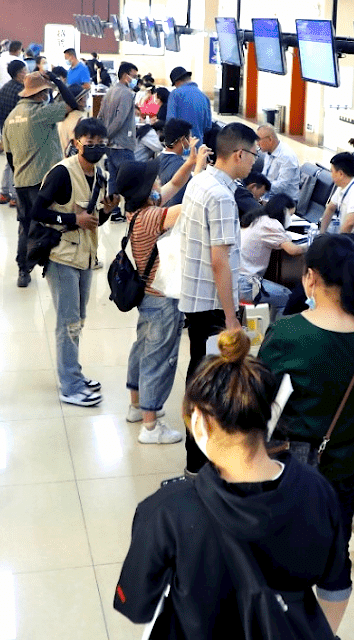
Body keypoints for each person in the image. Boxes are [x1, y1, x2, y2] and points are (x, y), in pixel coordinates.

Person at [113, 329, 347, 640]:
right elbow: (336, 585)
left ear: (200, 423)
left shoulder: (166, 512)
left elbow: (137, 606)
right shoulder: (317, 492)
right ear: (267, 414)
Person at [261, 234, 354, 563]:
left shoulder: (288, 333)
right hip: (347, 468)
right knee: (336, 553)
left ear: (311, 277)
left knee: (288, 551)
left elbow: (259, 399)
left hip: (297, 466)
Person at [178, 121, 260, 475]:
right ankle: (198, 465)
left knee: (199, 378)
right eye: (254, 155)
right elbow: (219, 261)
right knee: (210, 387)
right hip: (213, 307)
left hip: (196, 299)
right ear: (239, 154)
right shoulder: (223, 197)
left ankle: (196, 461)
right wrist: (230, 318)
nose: (255, 162)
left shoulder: (201, 181)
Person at [118, 153, 209, 443]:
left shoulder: (137, 211)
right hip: (162, 300)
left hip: (147, 296)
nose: (160, 181)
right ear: (145, 189)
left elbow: (175, 184)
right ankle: (151, 427)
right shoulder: (152, 217)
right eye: (154, 179)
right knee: (159, 359)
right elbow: (191, 205)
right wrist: (200, 171)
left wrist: (190, 163)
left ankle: (136, 407)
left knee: (142, 350)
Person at [30, 117, 117, 404]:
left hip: (86, 256)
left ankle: (73, 373)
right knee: (67, 323)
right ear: (76, 142)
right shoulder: (62, 173)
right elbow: (37, 211)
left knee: (77, 320)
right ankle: (70, 386)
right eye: (89, 142)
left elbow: (94, 221)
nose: (95, 147)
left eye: (100, 143)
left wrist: (106, 211)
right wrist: (72, 219)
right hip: (62, 256)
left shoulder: (100, 175)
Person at [2, 70, 80, 287]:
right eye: (45, 92)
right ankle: (52, 265)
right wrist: (56, 80)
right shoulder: (42, 113)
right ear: (39, 94)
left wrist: (20, 173)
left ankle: (23, 270)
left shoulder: (11, 118)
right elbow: (73, 104)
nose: (46, 95)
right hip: (42, 181)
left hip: (21, 182)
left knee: (25, 226)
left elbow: (9, 156)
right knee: (51, 223)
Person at [238, 192, 301, 322]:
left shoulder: (257, 218)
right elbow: (293, 250)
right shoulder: (271, 224)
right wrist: (309, 245)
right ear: (284, 211)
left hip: (234, 278)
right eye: (290, 215)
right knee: (286, 297)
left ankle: (272, 328)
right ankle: (277, 331)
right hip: (246, 284)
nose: (290, 218)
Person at [99, 62, 139, 187]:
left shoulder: (110, 91)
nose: (136, 80)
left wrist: (104, 137)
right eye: (134, 76)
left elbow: (100, 116)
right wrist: (108, 135)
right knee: (129, 183)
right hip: (123, 144)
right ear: (126, 76)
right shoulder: (126, 93)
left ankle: (113, 201)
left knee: (113, 181)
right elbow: (119, 120)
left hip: (110, 146)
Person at [0, 59, 27, 206]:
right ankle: (15, 196)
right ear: (19, 73)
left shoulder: (4, 88)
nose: (26, 73)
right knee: (18, 163)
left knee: (9, 162)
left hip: (5, 130)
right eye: (24, 71)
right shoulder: (21, 91)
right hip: (19, 130)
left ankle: (4, 192)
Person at [166, 66, 212, 150]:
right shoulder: (204, 97)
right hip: (197, 148)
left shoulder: (175, 94)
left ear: (177, 82)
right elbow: (208, 126)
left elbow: (170, 122)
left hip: (179, 148)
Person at [256, 123, 300, 201]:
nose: (257, 144)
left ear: (270, 139)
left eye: (259, 140)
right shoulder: (269, 152)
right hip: (268, 197)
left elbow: (281, 186)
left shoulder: (287, 156)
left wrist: (260, 188)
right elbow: (265, 176)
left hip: (285, 202)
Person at [320, 152, 354, 235]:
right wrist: (321, 234)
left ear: (340, 174)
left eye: (332, 171)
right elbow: (330, 208)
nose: (331, 175)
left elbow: (350, 223)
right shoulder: (342, 186)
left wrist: (338, 241)